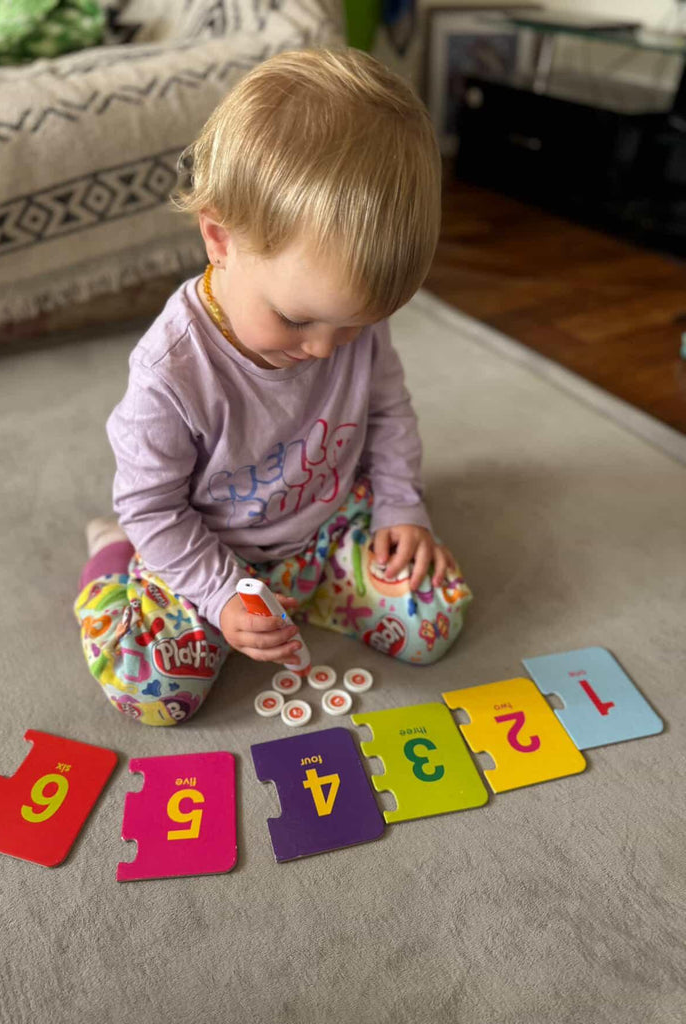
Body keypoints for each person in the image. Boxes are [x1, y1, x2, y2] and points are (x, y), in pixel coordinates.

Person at [74, 47, 473, 726]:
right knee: (151, 690)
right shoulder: (170, 372)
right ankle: (111, 559)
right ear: (220, 239)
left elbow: (388, 414)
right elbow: (153, 506)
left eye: (355, 325)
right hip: (208, 545)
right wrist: (221, 594)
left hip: (327, 524)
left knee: (435, 617)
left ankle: (313, 589)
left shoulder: (344, 322)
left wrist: (400, 507)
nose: (324, 348)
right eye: (296, 319)